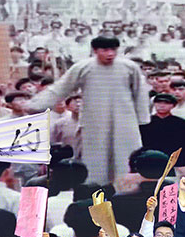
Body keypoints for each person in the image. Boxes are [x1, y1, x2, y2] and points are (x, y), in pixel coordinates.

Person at [26, 36, 150, 185]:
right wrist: (34, 105)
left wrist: (142, 119)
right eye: (105, 50)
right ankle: (94, 190)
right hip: (94, 121)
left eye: (113, 50)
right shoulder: (83, 67)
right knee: (96, 159)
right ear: (95, 50)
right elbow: (60, 88)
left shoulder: (130, 67)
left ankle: (127, 189)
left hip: (124, 121)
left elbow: (140, 93)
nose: (110, 54)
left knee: (125, 156)